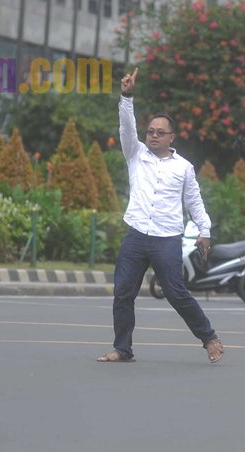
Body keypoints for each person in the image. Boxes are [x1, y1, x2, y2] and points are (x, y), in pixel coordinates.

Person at [97, 68, 224, 364]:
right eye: (150, 131)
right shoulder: (135, 154)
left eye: (159, 132)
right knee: (123, 293)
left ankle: (209, 337)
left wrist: (204, 230)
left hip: (166, 238)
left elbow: (194, 201)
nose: (153, 135)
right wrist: (127, 96)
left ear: (171, 137)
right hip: (137, 235)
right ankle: (122, 349)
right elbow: (126, 127)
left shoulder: (184, 167)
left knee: (176, 293)